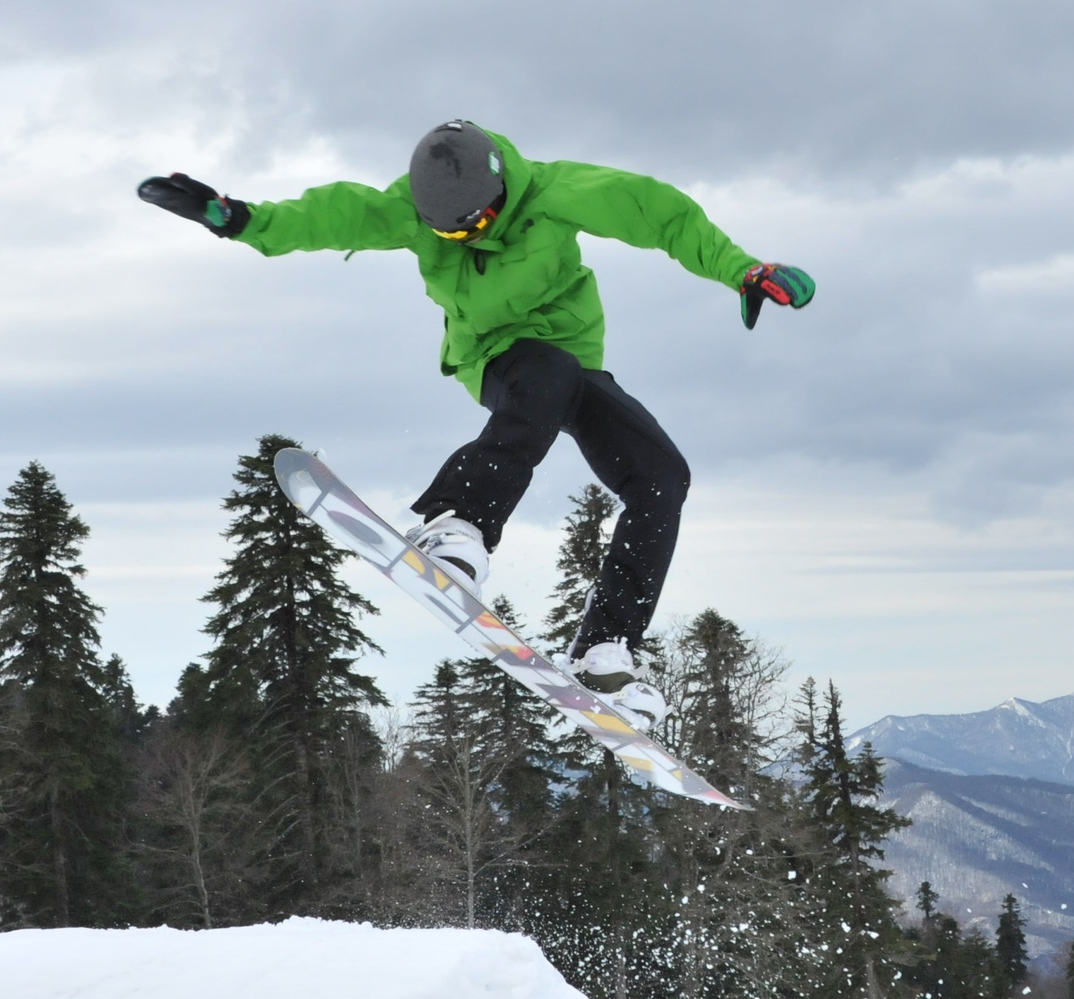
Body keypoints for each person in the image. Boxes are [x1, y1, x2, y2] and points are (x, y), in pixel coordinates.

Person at [138, 120, 813, 730]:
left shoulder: (557, 191)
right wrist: (237, 218)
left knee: (662, 474)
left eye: (470, 228)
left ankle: (607, 649)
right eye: (446, 233)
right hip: (496, 361)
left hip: (573, 364)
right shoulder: (408, 211)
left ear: (498, 197)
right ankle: (456, 521)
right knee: (541, 372)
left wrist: (741, 270)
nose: (460, 241)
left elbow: (660, 214)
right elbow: (329, 215)